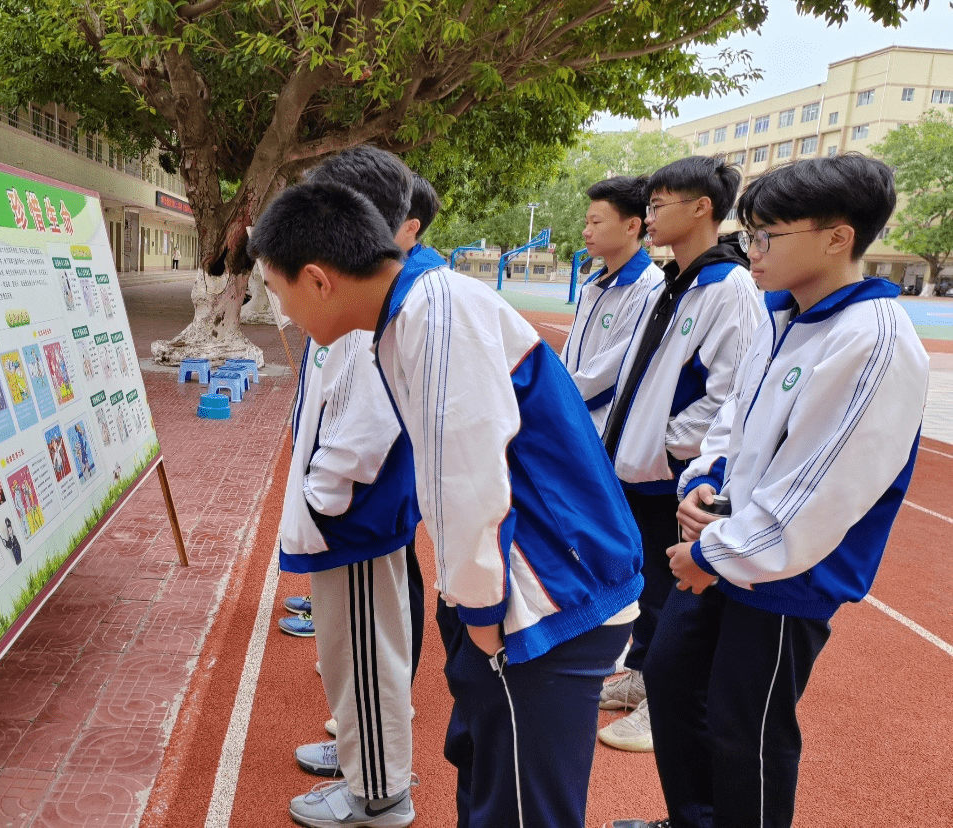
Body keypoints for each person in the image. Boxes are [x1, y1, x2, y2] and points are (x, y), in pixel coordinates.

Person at [251, 165, 643, 828]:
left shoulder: (435, 315)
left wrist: (481, 613)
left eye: (275, 290)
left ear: (317, 278)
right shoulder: (409, 313)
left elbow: (469, 480)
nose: (280, 311)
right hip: (516, 590)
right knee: (486, 782)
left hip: (544, 594)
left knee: (520, 809)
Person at [605, 154, 929, 828]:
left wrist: (710, 554)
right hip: (729, 544)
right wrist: (701, 482)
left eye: (765, 236)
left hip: (785, 574)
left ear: (837, 237)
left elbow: (820, 489)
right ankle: (694, 818)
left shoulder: (870, 342)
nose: (750, 249)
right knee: (669, 679)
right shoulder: (780, 314)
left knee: (744, 727)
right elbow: (733, 424)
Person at [272, 148, 440, 828]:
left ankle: (377, 793)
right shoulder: (368, 285)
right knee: (352, 651)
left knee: (365, 651)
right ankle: (361, 756)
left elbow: (368, 421)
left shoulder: (383, 299)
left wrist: (322, 497)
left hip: (357, 512)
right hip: (351, 505)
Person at [595, 156, 762, 753]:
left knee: (677, 593)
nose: (650, 214)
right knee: (648, 584)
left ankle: (661, 699)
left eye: (661, 203)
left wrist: (667, 449)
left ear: (702, 209)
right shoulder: (680, 280)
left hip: (676, 476)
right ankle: (640, 679)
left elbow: (729, 393)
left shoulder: (729, 288)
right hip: (642, 469)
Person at [563, 176, 664, 433]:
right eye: (587, 222)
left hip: (599, 427)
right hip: (572, 416)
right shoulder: (593, 283)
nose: (587, 231)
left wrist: (556, 399)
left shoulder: (649, 286)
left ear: (632, 226)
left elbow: (609, 374)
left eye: (596, 222)